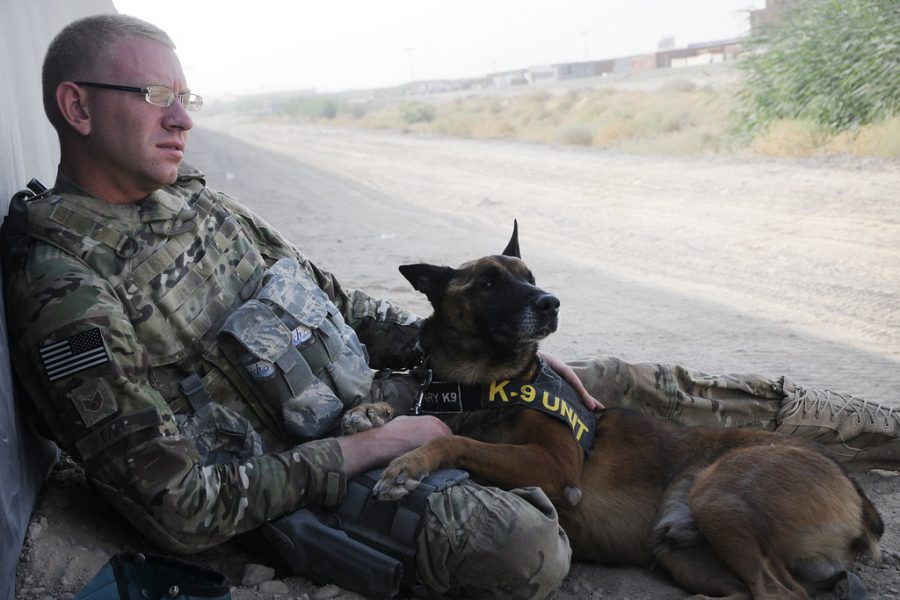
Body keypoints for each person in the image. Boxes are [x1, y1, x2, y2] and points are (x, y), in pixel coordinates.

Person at [5, 12, 897, 600]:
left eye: (185, 97)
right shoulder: (66, 287)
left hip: (383, 393)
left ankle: (869, 428)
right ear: (77, 106)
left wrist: (470, 338)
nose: (182, 119)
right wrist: (376, 445)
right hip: (314, 461)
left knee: (610, 376)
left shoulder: (196, 200)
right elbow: (182, 505)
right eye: (156, 98)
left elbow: (327, 299)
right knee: (524, 553)